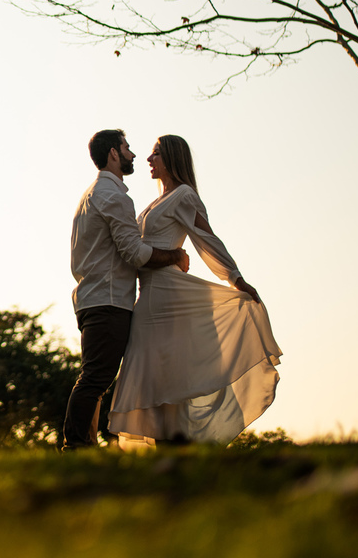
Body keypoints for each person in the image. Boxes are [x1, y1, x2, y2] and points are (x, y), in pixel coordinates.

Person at [108, 135, 282, 446]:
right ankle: (166, 450)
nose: (148, 159)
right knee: (150, 376)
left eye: (156, 153)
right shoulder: (154, 202)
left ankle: (177, 447)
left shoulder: (184, 195)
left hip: (169, 295)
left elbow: (207, 238)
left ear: (172, 158)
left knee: (169, 376)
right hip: (146, 298)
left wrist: (235, 278)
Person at [62, 130, 190, 450]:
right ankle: (76, 447)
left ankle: (84, 446)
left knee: (96, 377)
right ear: (113, 154)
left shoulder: (92, 194)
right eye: (127, 148)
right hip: (109, 302)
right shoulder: (114, 196)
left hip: (91, 298)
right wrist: (175, 256)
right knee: (96, 378)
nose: (133, 155)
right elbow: (136, 253)